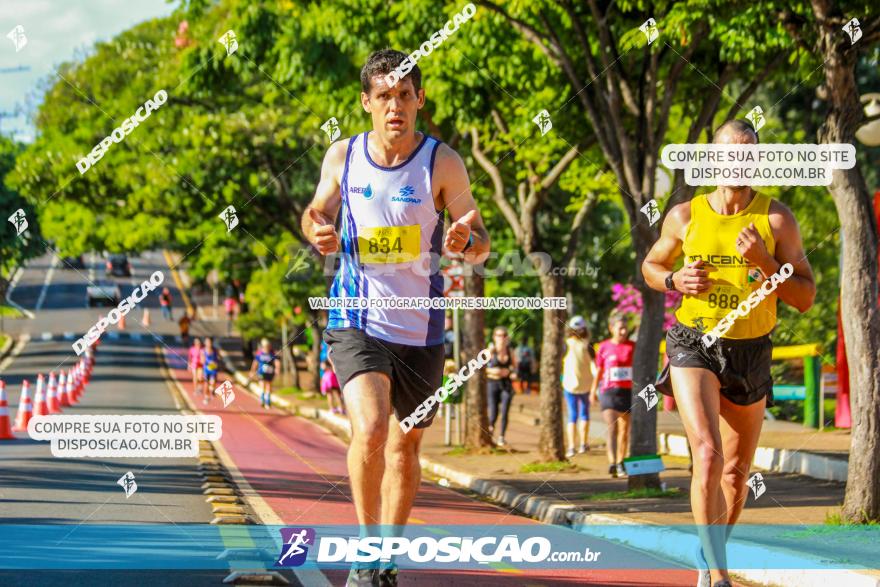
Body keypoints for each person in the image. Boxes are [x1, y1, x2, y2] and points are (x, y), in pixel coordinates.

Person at [301, 48, 489, 587]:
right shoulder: (344, 156)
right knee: (373, 427)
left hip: (422, 328)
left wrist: (465, 239)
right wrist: (316, 227)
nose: (395, 107)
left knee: (407, 444)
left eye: (404, 95)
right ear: (366, 102)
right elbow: (317, 209)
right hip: (356, 317)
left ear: (419, 99)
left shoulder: (442, 162)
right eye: (383, 96)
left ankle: (388, 554)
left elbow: (481, 243)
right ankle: (365, 548)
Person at [642, 119, 815, 587]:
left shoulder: (777, 219)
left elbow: (803, 296)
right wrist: (675, 280)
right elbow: (652, 265)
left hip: (752, 350)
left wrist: (765, 262)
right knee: (709, 453)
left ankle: (709, 551)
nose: (738, 161)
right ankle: (718, 576)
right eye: (729, 153)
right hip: (694, 342)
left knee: (737, 475)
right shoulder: (685, 215)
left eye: (748, 153)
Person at [591, 314, 635, 477]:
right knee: (612, 427)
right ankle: (611, 462)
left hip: (627, 392)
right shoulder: (603, 347)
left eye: (625, 328)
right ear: (611, 329)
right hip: (608, 391)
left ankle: (620, 461)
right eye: (620, 328)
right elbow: (599, 371)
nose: (623, 331)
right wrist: (592, 390)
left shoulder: (633, 346)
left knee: (624, 430)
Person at [561, 316, 595, 458]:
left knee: (572, 415)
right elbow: (595, 367)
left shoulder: (565, 345)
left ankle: (571, 447)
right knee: (584, 414)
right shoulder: (588, 345)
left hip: (569, 385)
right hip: (586, 385)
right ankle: (583, 444)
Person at [486, 326, 517, 447]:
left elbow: (515, 368)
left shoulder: (510, 351)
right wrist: (494, 372)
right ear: (494, 337)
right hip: (492, 384)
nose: (502, 338)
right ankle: (489, 433)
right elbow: (481, 370)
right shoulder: (490, 351)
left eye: (504, 335)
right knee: (493, 412)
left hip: (506, 384)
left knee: (505, 411)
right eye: (499, 335)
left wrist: (510, 372)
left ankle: (501, 437)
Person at [250, 338, 281, 409]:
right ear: (263, 346)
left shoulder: (272, 353)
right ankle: (262, 400)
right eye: (265, 346)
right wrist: (252, 370)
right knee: (262, 385)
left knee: (268, 386)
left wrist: (277, 368)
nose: (267, 347)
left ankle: (268, 402)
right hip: (261, 372)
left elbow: (277, 361)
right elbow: (255, 362)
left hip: (270, 373)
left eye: (268, 346)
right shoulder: (260, 353)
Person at [201, 337, 220, 405]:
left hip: (213, 369)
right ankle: (206, 397)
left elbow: (219, 358)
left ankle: (212, 390)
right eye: (207, 342)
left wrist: (217, 361)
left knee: (213, 382)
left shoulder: (215, 350)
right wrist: (208, 362)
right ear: (205, 343)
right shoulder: (203, 350)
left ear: (211, 343)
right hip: (206, 369)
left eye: (209, 342)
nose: (208, 343)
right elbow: (202, 361)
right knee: (206, 384)